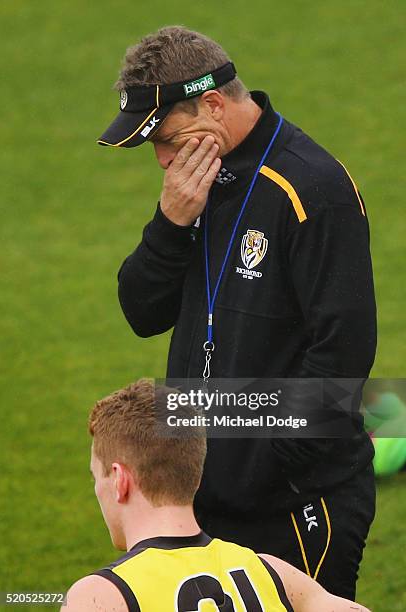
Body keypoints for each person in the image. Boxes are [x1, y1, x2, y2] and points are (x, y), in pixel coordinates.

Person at [97, 27, 377, 599]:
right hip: (203, 496)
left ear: (213, 104)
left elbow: (343, 356)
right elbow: (141, 311)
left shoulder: (310, 189)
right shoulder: (196, 180)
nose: (163, 159)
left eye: (167, 138)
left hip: (292, 502)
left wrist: (264, 469)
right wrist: (170, 224)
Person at [63, 379, 371, 611]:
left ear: (119, 479)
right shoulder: (272, 573)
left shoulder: (101, 596)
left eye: (96, 475)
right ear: (194, 474)